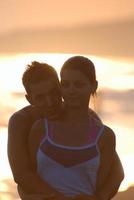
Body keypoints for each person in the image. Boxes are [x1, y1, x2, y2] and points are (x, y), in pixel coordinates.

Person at [8, 61, 109, 200]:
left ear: (61, 88)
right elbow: (21, 174)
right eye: (40, 98)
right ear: (29, 99)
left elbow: (116, 170)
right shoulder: (22, 121)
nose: (50, 102)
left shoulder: (87, 117)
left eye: (53, 93)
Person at [28, 56, 124, 200]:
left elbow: (101, 188)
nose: (71, 90)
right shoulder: (40, 129)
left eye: (78, 84)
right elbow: (27, 180)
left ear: (93, 86)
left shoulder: (105, 136)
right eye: (65, 84)